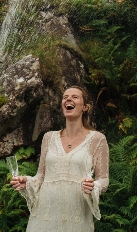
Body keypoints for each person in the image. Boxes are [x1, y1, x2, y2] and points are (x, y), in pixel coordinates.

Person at [10, 85, 109, 232]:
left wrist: (94, 186)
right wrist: (27, 182)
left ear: (85, 107)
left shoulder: (97, 139)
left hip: (76, 216)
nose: (68, 99)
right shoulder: (49, 138)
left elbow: (104, 179)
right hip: (44, 216)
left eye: (75, 97)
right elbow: (41, 176)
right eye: (65, 97)